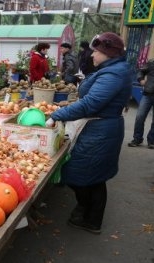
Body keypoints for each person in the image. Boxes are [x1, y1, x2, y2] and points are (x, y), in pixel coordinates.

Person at [46, 32, 132, 234]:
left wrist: (59, 114)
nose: (92, 55)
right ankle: (88, 213)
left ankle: (91, 220)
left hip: (101, 132)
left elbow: (91, 103)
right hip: (100, 128)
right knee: (93, 176)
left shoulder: (113, 73)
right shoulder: (112, 69)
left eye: (96, 51)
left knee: (86, 175)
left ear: (107, 53)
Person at [128, 59, 154, 149]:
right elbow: (141, 72)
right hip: (147, 94)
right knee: (140, 117)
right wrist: (141, 80)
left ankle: (152, 141)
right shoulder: (152, 63)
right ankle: (137, 139)